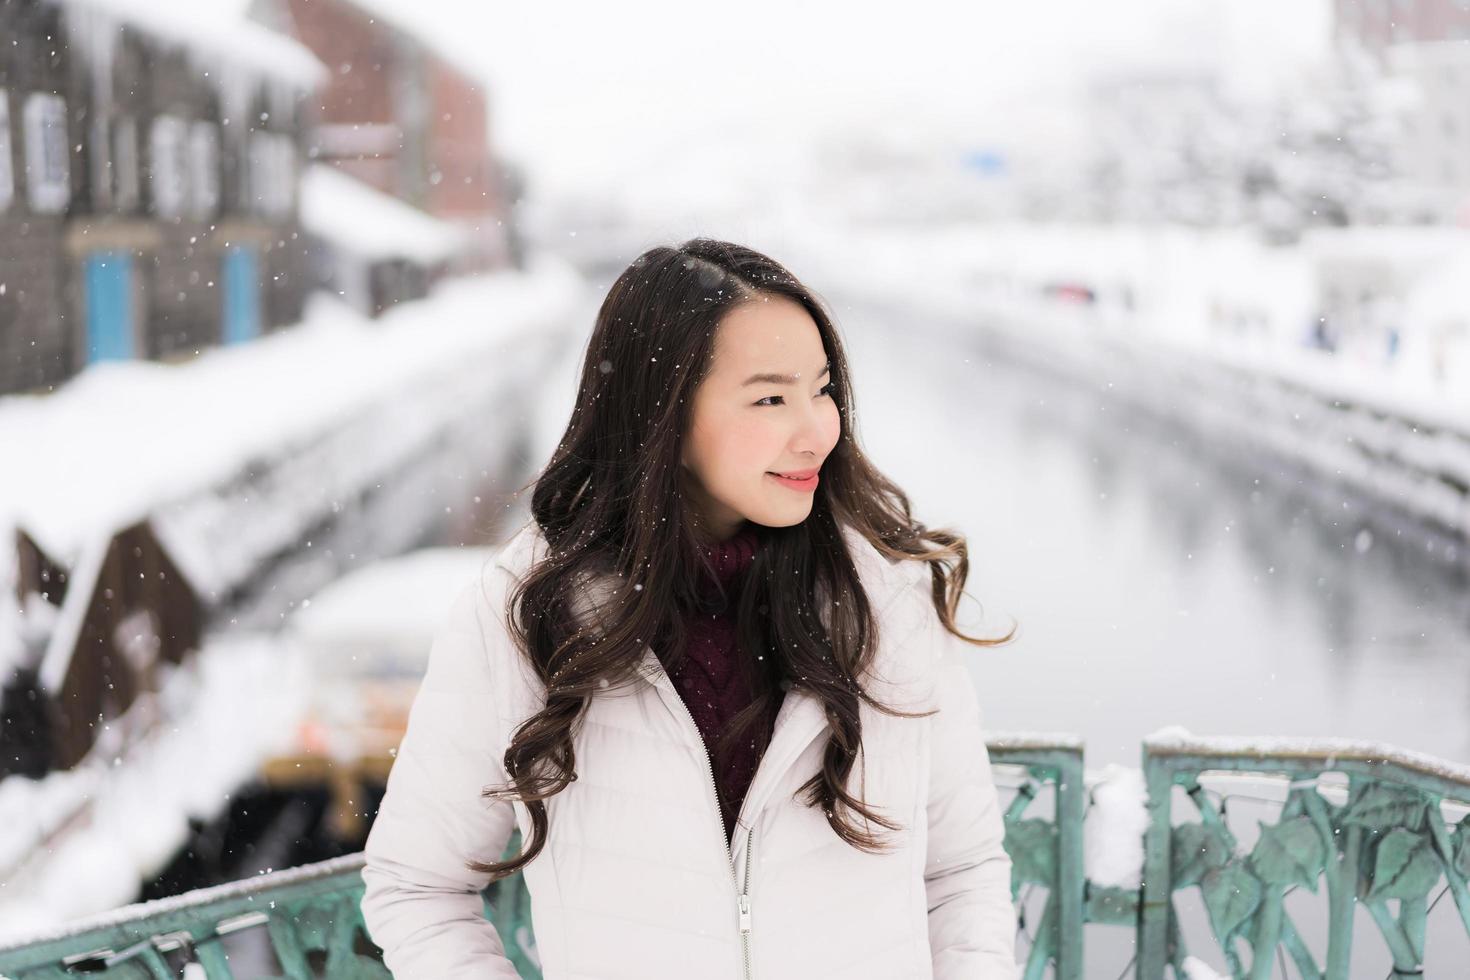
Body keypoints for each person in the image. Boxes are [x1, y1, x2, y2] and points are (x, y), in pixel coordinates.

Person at [360, 238, 1019, 979]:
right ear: (663, 419)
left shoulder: (886, 601)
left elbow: (961, 874)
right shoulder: (527, 618)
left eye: (823, 389)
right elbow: (418, 887)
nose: (817, 430)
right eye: (771, 398)